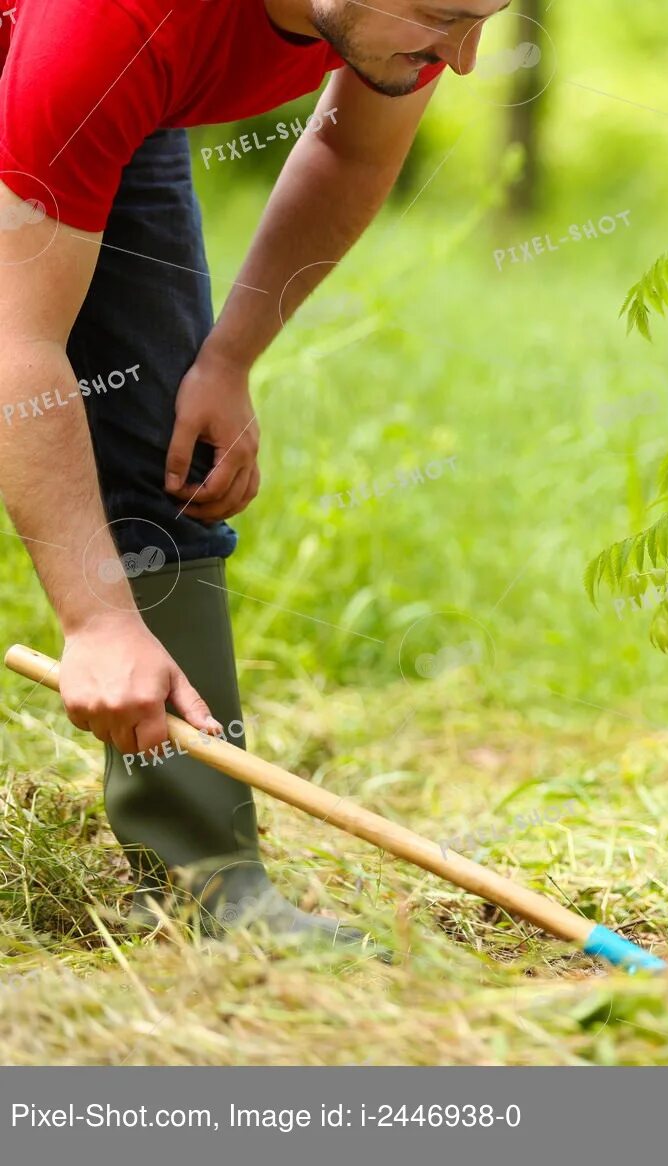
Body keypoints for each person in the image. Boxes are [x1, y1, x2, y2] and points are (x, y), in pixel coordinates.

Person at [0, 0, 503, 947]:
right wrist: (96, 620)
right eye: (447, 17)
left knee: (167, 448)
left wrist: (228, 357)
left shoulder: (405, 28)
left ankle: (206, 888)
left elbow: (352, 155)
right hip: (57, 67)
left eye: (486, 19)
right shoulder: (114, 21)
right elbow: (16, 342)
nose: (465, 60)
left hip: (98, 96)